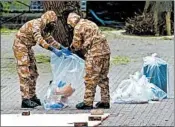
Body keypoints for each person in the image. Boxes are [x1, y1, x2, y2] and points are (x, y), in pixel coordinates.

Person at [13, 11, 71, 108]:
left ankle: (32, 96)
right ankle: (25, 99)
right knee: (25, 73)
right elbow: (39, 40)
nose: (53, 25)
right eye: (51, 23)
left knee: (33, 73)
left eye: (54, 23)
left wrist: (62, 48)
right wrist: (53, 50)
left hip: (28, 47)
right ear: (47, 20)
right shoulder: (37, 24)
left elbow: (49, 39)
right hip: (20, 45)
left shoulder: (44, 27)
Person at [67, 13, 111, 109]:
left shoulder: (78, 27)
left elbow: (76, 45)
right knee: (103, 77)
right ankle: (105, 101)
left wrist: (70, 49)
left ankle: (88, 102)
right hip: (106, 52)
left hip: (94, 54)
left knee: (90, 79)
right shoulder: (89, 23)